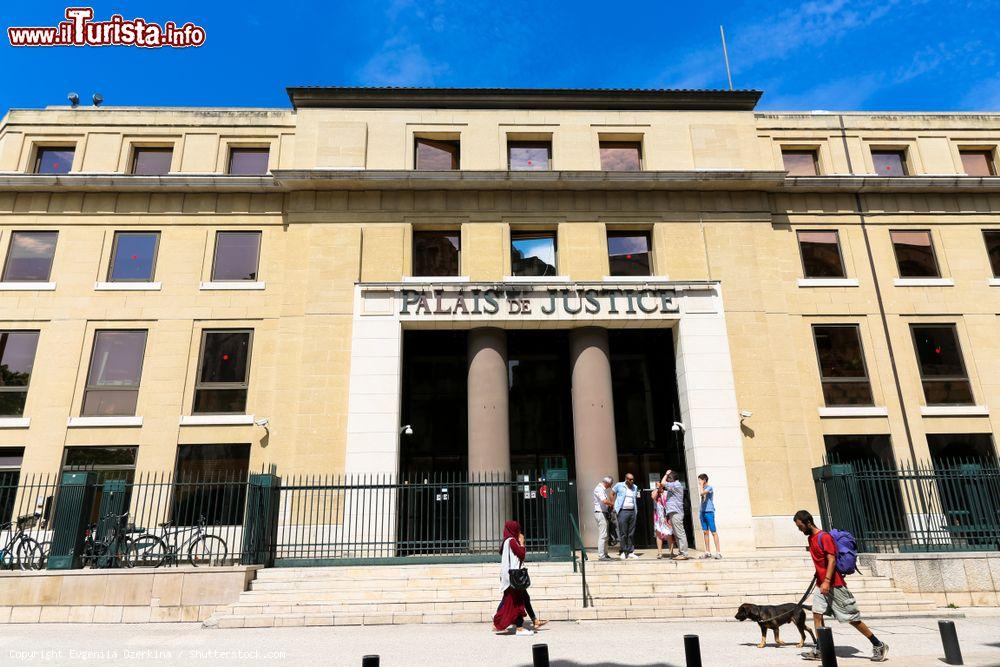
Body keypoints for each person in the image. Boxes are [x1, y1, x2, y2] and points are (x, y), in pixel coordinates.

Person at [794, 510, 889, 662]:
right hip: (821, 584)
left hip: (834, 584)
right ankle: (820, 648)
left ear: (808, 523)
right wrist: (820, 579)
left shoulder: (823, 537)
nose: (800, 530)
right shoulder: (811, 538)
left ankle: (878, 644)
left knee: (851, 618)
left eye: (800, 526)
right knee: (817, 614)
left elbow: (831, 560)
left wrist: (826, 580)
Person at [493, 520, 535, 636]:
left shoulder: (506, 541)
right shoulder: (512, 541)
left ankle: (498, 621)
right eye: (517, 529)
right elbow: (521, 554)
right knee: (518, 603)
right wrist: (522, 543)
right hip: (514, 577)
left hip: (508, 576)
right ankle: (520, 628)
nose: (519, 531)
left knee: (511, 602)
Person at [611, 473, 641, 559]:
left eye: (633, 479)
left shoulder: (635, 487)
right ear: (626, 479)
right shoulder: (619, 485)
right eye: (630, 479)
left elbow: (635, 498)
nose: (632, 481)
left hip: (632, 511)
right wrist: (613, 504)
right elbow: (612, 493)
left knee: (631, 532)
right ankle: (623, 551)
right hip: (622, 511)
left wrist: (635, 511)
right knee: (623, 532)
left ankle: (631, 551)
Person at [662, 470, 689, 560]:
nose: (668, 480)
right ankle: (681, 552)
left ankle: (684, 553)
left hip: (676, 512)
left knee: (680, 533)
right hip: (673, 512)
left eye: (669, 478)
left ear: (672, 478)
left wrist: (666, 474)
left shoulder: (675, 485)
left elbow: (662, 483)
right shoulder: (674, 485)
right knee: (677, 533)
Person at [698, 473, 721, 560]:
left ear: (704, 480)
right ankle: (707, 552)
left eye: (700, 480)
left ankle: (718, 552)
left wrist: (701, 486)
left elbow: (702, 493)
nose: (699, 482)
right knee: (705, 532)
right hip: (702, 512)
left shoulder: (709, 488)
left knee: (713, 531)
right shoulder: (702, 487)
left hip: (709, 512)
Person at [651, 480, 675, 559]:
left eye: (660, 486)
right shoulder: (655, 493)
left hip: (666, 516)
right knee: (658, 535)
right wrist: (657, 489)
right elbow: (653, 497)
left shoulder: (666, 493)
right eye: (657, 486)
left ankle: (671, 552)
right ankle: (660, 553)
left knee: (669, 534)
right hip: (658, 517)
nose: (659, 487)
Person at [592, 476, 615, 561]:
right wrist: (612, 504)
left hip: (603, 513)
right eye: (610, 484)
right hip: (600, 513)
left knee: (605, 535)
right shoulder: (599, 489)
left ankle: (605, 554)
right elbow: (604, 501)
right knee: (603, 534)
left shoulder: (602, 489)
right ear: (607, 483)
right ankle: (602, 555)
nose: (610, 486)